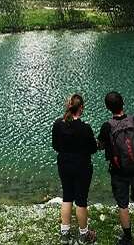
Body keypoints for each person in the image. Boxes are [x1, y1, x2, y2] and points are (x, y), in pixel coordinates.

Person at [98, 91, 134, 245]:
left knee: (123, 203)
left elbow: (100, 146)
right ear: (123, 103)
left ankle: (128, 237)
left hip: (119, 171)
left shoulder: (107, 126)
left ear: (107, 108)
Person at [52, 94, 98, 245]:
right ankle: (84, 235)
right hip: (82, 166)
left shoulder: (58, 124)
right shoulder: (85, 128)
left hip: (64, 164)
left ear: (68, 107)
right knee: (81, 200)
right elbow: (93, 149)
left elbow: (55, 146)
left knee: (67, 196)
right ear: (81, 108)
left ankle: (64, 234)